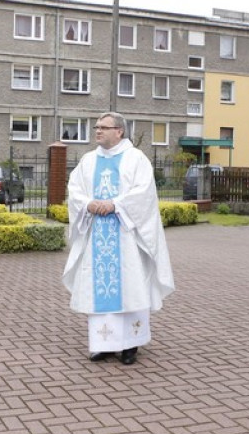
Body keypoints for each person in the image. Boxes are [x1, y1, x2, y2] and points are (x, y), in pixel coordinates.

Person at [62, 111, 175, 365]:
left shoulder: (136, 159)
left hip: (126, 236)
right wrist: (89, 204)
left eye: (103, 127)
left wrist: (115, 204)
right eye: (96, 127)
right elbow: (74, 189)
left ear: (119, 131)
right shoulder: (89, 160)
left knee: (130, 286)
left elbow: (144, 194)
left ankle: (130, 345)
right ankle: (105, 344)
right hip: (97, 235)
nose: (97, 131)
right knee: (99, 286)